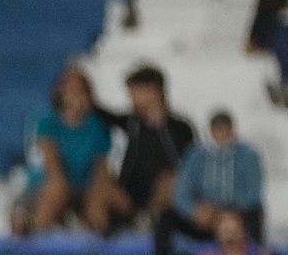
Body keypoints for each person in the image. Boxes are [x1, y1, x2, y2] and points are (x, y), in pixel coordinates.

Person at [157, 110, 265, 255]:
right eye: (217, 130)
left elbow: (253, 194)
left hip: (235, 216)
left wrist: (223, 212)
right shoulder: (196, 155)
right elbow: (181, 190)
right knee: (167, 215)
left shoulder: (249, 156)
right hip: (203, 217)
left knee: (254, 214)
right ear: (211, 131)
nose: (221, 135)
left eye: (225, 130)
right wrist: (193, 211)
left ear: (233, 131)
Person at [13, 65, 119, 236]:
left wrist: (101, 194)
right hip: (45, 187)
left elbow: (101, 168)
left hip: (82, 188)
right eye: (71, 91)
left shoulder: (96, 125)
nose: (76, 96)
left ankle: (99, 241)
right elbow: (52, 165)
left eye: (81, 91)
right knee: (57, 190)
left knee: (102, 197)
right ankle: (37, 235)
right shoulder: (45, 120)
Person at [96, 63, 195, 231]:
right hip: (129, 196)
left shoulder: (180, 127)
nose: (131, 99)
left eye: (135, 93)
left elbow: (190, 166)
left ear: (152, 91)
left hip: (164, 198)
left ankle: (153, 223)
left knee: (170, 181)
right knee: (101, 184)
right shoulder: (131, 124)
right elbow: (101, 114)